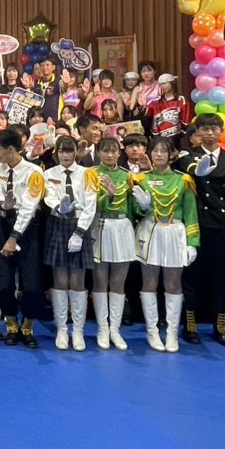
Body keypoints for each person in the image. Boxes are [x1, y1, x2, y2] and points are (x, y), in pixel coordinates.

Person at [175, 112, 225, 348]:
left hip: (221, 225)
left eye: (214, 128)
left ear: (221, 132)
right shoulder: (187, 156)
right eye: (204, 129)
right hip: (194, 224)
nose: (210, 133)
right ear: (197, 133)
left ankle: (220, 326)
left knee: (221, 278)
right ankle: (190, 326)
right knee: (191, 277)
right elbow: (191, 170)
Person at [133, 136, 200, 352]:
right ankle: (152, 332)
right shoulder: (140, 179)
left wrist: (192, 242)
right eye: (155, 150)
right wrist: (143, 207)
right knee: (149, 282)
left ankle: (171, 333)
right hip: (150, 230)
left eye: (164, 150)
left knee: (173, 284)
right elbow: (135, 209)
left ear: (172, 154)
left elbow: (191, 213)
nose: (159, 154)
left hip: (175, 233)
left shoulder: (184, 180)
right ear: (150, 154)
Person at [0, 127, 47, 347]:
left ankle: (27, 327)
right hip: (3, 223)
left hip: (27, 229)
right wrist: (2, 204)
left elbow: (30, 207)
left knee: (31, 285)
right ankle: (12, 325)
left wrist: (14, 238)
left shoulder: (34, 172)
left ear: (11, 149)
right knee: (4, 284)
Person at [42, 136, 99, 350]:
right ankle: (62, 330)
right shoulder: (49, 174)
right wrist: (59, 207)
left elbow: (91, 204)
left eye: (69, 150)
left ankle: (78, 331)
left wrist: (80, 232)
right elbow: (48, 196)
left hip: (80, 223)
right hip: (58, 224)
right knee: (60, 279)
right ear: (56, 153)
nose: (65, 155)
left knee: (77, 280)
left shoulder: (88, 173)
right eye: (61, 151)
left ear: (76, 152)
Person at [90, 136, 134, 351]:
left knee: (118, 282)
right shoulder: (91, 174)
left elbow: (134, 208)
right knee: (100, 281)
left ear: (119, 153)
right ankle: (102, 328)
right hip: (100, 226)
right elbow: (89, 205)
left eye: (113, 151)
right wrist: (107, 196)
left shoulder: (127, 175)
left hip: (122, 228)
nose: (109, 155)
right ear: (98, 153)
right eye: (105, 151)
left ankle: (115, 330)